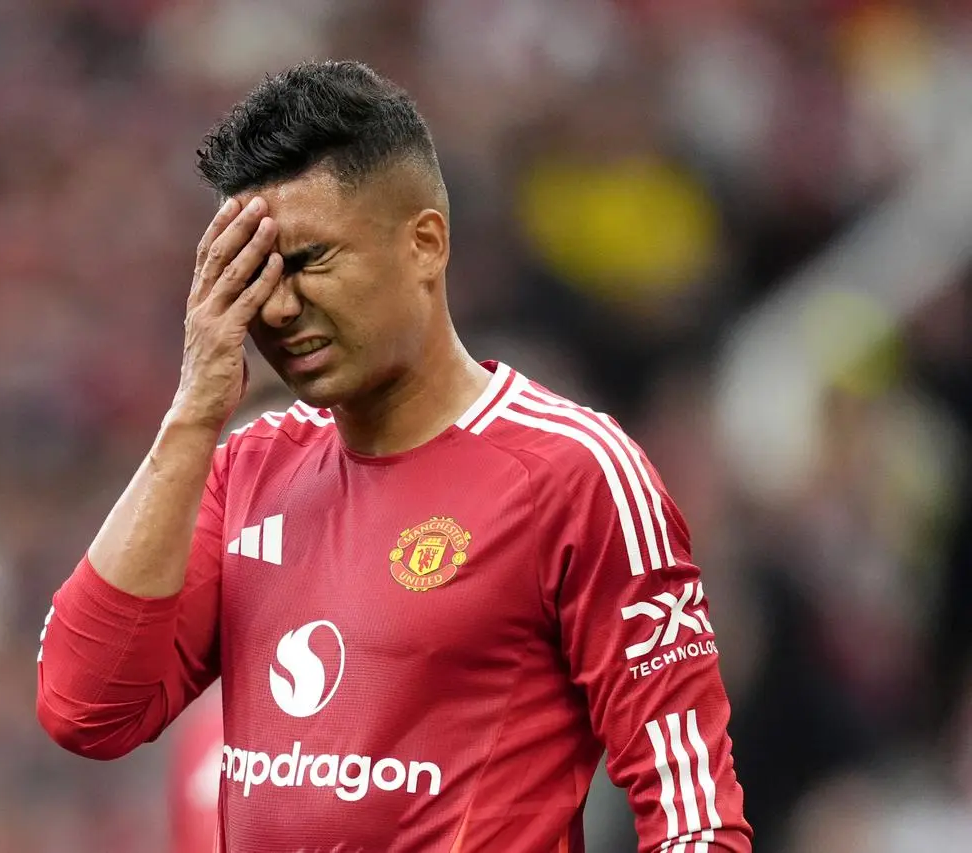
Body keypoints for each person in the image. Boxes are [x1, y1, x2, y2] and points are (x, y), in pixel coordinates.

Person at [37, 60, 752, 852]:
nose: (274, 306)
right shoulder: (244, 466)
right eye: (252, 274)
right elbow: (84, 708)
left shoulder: (572, 472)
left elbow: (693, 816)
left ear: (424, 243)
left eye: (308, 262)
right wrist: (192, 414)